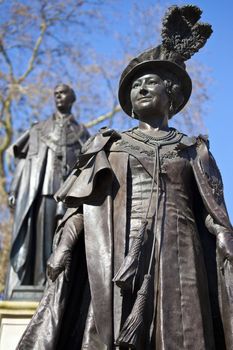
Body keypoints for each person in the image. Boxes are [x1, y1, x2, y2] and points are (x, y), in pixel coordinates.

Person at [17, 5, 233, 350]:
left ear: (171, 95)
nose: (142, 89)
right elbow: (80, 206)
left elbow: (213, 209)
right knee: (111, 332)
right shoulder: (110, 144)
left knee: (183, 332)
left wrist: (223, 234)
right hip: (119, 250)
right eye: (136, 86)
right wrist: (64, 247)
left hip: (180, 252)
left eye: (151, 83)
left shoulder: (193, 149)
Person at [5, 84, 90, 300]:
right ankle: (40, 284)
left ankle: (61, 287)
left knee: (65, 241)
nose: (58, 95)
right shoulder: (39, 129)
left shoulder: (82, 133)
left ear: (73, 97)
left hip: (71, 197)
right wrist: (14, 188)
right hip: (44, 192)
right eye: (56, 93)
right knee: (42, 240)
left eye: (63, 92)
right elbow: (25, 162)